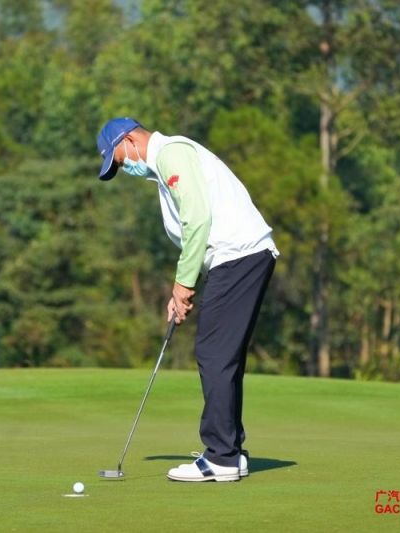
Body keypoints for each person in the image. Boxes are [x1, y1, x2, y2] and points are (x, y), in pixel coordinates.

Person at [96, 117, 278, 482]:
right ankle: (232, 452)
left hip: (238, 256)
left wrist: (183, 283)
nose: (124, 169)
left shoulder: (171, 154)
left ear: (128, 141)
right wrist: (182, 286)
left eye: (119, 161)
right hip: (240, 258)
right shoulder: (165, 166)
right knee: (224, 355)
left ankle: (221, 457)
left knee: (213, 353)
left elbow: (197, 220)